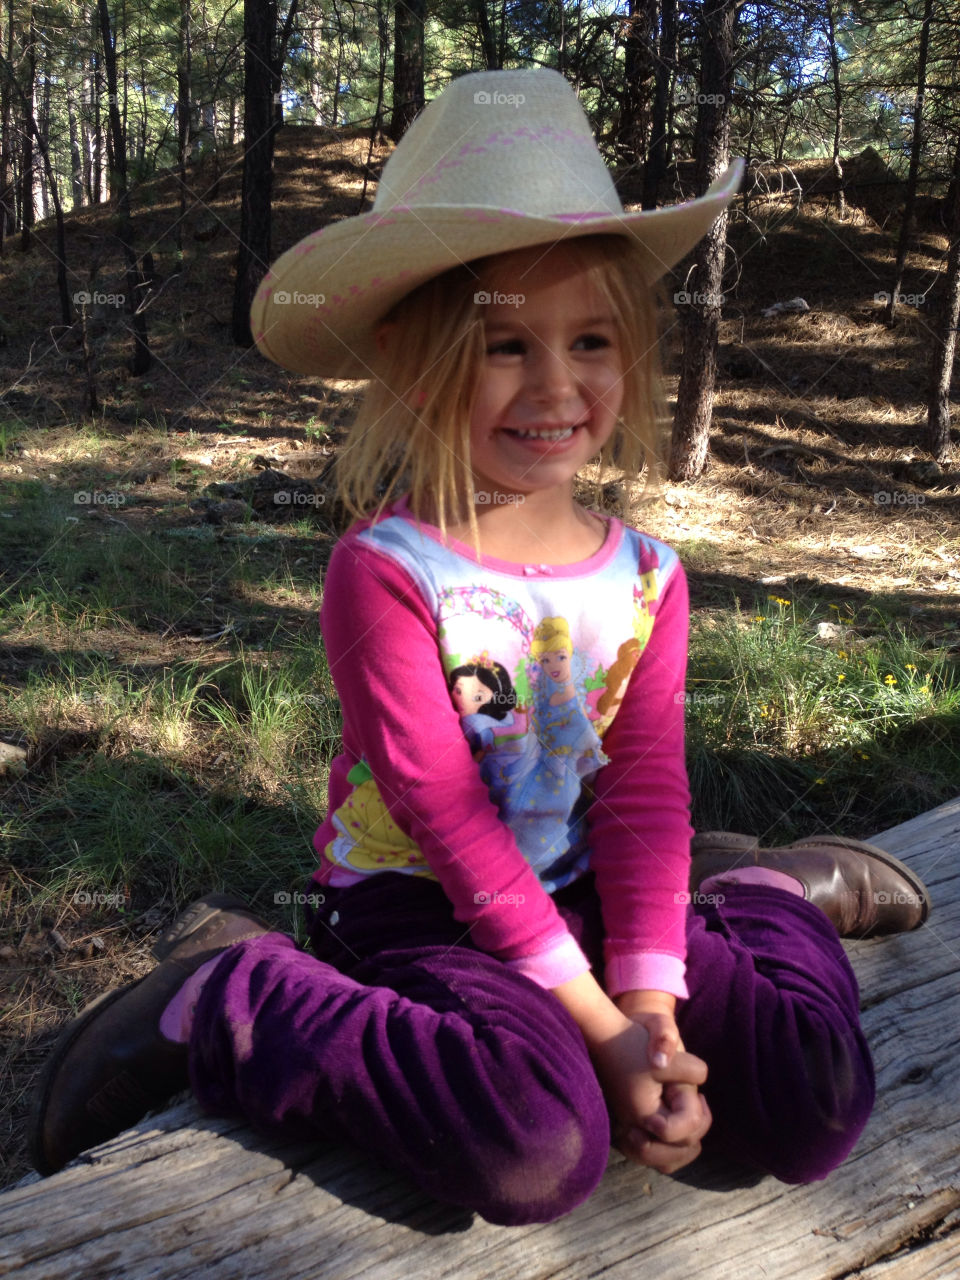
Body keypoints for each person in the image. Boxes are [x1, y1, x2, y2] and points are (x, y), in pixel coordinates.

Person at [30, 68, 931, 1227]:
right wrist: (600, 1028)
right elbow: (449, 819)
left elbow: (644, 782)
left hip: (596, 881)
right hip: (424, 903)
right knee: (535, 1147)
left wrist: (650, 996)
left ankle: (761, 889)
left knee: (814, 1108)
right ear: (413, 361)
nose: (557, 385)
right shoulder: (391, 572)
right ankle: (231, 993)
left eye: (593, 339)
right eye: (505, 344)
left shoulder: (649, 577)